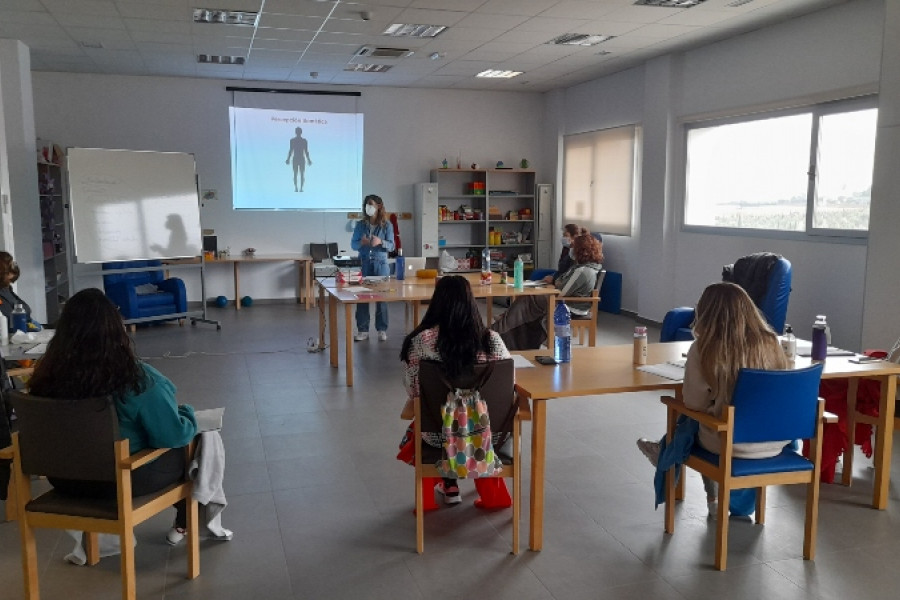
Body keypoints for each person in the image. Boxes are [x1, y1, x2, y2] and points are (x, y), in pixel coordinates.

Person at [27, 288, 198, 545]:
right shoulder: (137, 378)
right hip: (121, 481)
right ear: (114, 329)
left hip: (65, 480)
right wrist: (188, 415)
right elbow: (172, 435)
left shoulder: (45, 378)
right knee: (197, 445)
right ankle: (184, 522)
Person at [636, 282, 790, 517]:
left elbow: (693, 403)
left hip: (732, 443)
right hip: (775, 440)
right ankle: (719, 495)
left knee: (693, 422)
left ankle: (667, 453)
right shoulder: (771, 344)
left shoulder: (705, 348)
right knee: (716, 418)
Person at [397, 275, 513, 510]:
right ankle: (493, 495)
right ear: (471, 301)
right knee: (472, 421)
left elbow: (413, 390)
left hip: (437, 433)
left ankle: (439, 491)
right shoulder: (492, 340)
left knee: (426, 421)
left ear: (436, 302)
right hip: (489, 434)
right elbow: (508, 385)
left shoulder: (419, 341)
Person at [491, 232, 604, 350]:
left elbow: (562, 292)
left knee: (528, 299)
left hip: (570, 306)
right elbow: (562, 283)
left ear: (580, 251)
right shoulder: (588, 267)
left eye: (574, 248)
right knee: (528, 300)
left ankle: (503, 326)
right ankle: (508, 323)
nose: (572, 251)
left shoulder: (582, 271)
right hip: (570, 303)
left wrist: (553, 284)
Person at [350, 194, 395, 341]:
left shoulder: (387, 225)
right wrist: (362, 243)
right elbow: (353, 244)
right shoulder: (360, 225)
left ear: (379, 206)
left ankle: (382, 329)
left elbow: (392, 246)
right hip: (364, 263)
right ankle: (363, 330)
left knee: (381, 297)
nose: (367, 207)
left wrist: (381, 242)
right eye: (366, 204)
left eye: (370, 204)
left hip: (380, 264)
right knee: (362, 297)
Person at [0, 251, 37, 330]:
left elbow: (25, 310)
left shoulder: (7, 289)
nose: (14, 268)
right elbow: (8, 320)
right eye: (10, 267)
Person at [285, 127, 312, 192]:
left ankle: (297, 188)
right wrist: (308, 160)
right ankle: (300, 188)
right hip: (300, 159)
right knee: (301, 174)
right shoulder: (303, 141)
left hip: (296, 159)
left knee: (296, 174)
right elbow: (306, 151)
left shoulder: (293, 140)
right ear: (301, 132)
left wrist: (288, 159)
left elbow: (291, 151)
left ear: (295, 132)